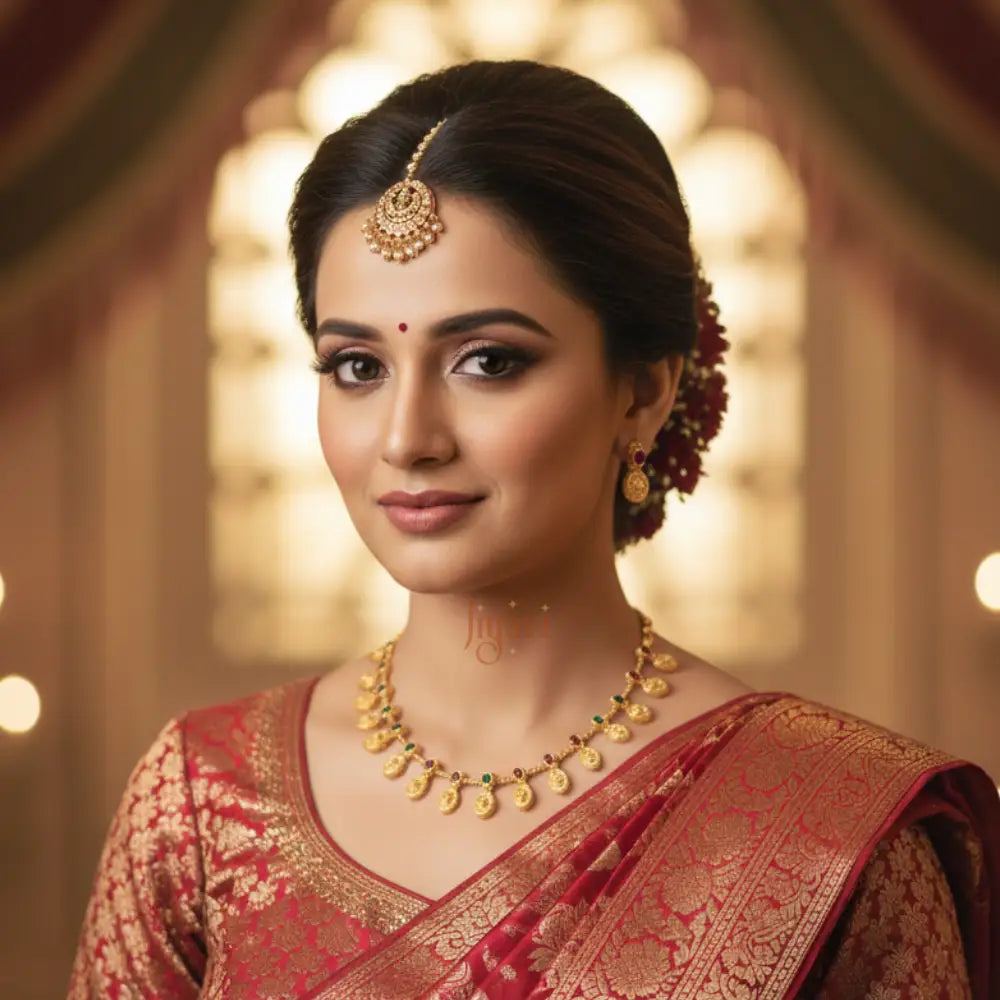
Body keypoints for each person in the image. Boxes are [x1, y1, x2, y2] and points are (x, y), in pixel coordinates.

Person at [68, 60, 999, 999]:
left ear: (644, 390)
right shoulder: (200, 806)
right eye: (356, 366)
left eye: (487, 360)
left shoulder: (826, 832)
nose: (406, 438)